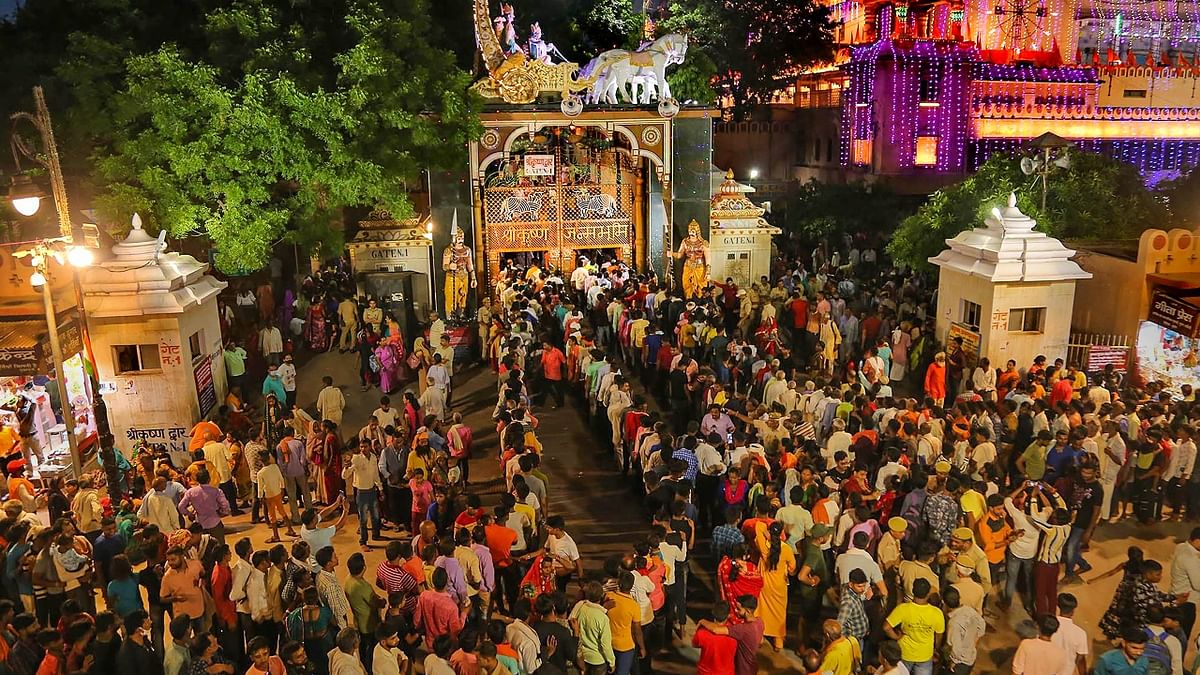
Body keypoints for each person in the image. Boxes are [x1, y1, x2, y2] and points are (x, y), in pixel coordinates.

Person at [883, 578, 944, 675]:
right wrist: (936, 649)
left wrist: (896, 637)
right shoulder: (937, 613)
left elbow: (886, 627)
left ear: (912, 591)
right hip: (925, 654)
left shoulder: (903, 609)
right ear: (928, 593)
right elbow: (939, 635)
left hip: (905, 653)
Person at [694, 595, 764, 675]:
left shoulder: (742, 629)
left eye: (739, 609)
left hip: (743, 670)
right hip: (753, 667)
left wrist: (702, 621)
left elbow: (716, 630)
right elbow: (761, 642)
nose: (736, 611)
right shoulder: (760, 622)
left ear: (747, 611)